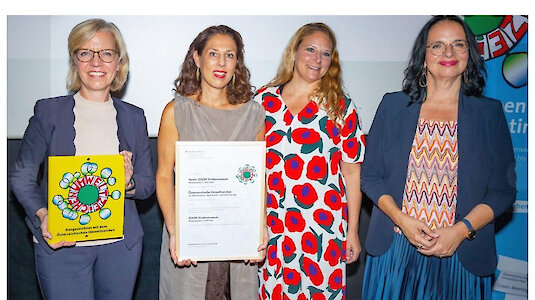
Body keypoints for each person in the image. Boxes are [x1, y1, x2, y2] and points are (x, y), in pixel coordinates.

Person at [361, 15, 516, 299]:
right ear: (424, 56)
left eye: (458, 44)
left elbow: (502, 191)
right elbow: (370, 176)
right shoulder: (393, 105)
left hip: (461, 256)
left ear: (469, 54)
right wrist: (402, 220)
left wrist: (460, 231)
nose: (448, 53)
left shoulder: (489, 113)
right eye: (438, 45)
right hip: (395, 251)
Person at [9, 18, 155, 300]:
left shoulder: (134, 118)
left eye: (106, 53)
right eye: (85, 52)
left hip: (120, 249)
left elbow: (147, 185)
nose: (96, 62)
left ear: (118, 62)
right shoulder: (48, 112)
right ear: (75, 61)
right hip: (62, 244)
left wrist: (129, 182)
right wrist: (43, 215)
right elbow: (21, 177)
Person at [255, 23, 365, 299]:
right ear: (295, 51)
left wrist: (352, 230)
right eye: (311, 50)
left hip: (324, 228)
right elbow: (252, 168)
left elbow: (352, 173)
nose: (317, 59)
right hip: (274, 225)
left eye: (326, 54)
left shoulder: (340, 106)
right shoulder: (263, 102)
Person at [156, 25, 266, 300]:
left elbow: (257, 178)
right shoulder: (176, 111)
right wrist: (174, 231)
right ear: (197, 58)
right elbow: (163, 177)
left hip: (238, 239)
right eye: (213, 53)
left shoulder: (253, 114)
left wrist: (261, 225)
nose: (221, 63)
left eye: (230, 55)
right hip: (190, 235)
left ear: (237, 63)